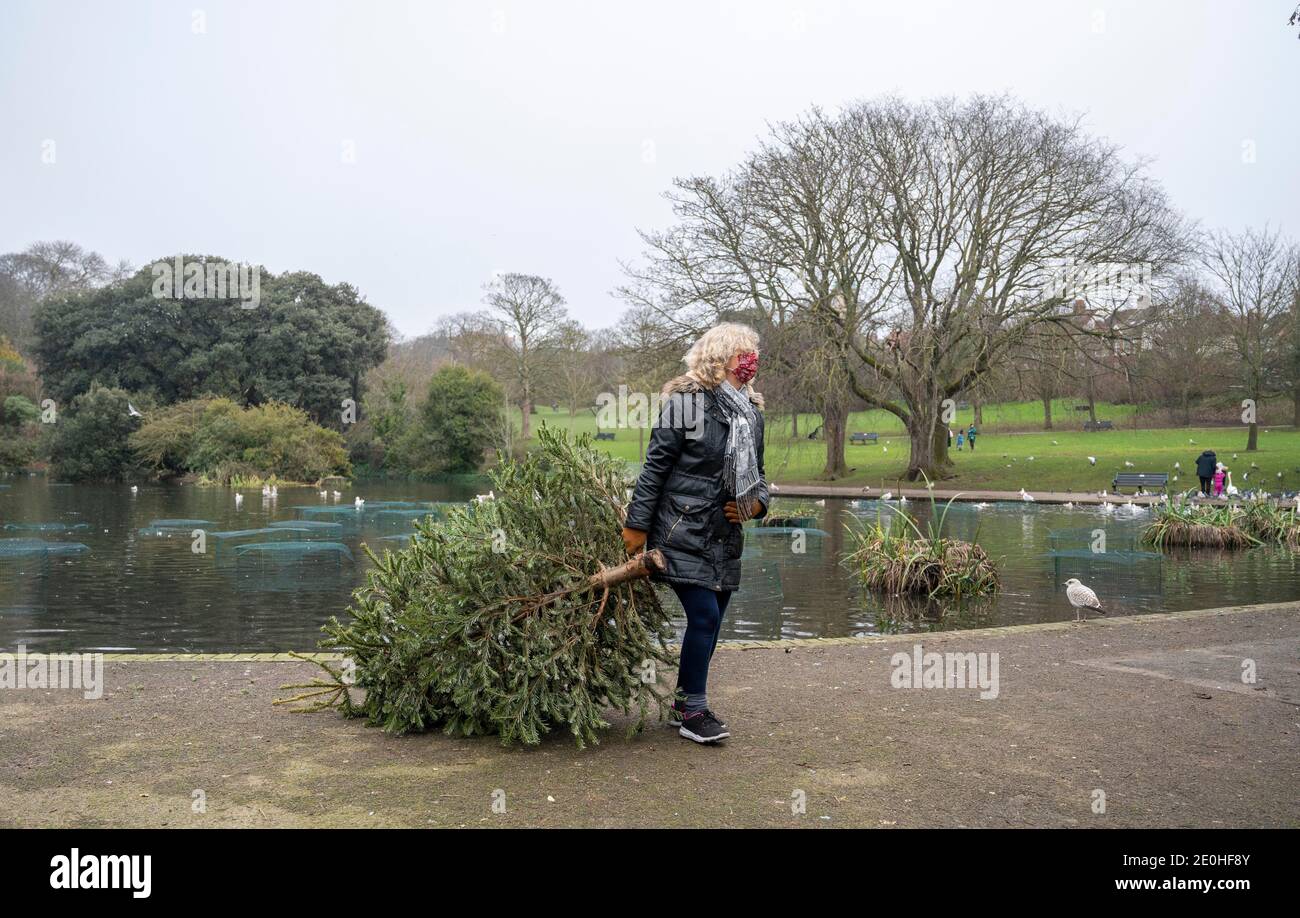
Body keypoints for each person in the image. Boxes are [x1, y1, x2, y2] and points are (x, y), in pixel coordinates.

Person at [621, 323, 769, 745]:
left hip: (724, 535)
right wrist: (637, 525)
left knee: (714, 619)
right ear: (718, 357)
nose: (750, 362)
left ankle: (684, 702)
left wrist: (757, 506)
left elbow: (760, 477)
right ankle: (693, 711)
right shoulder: (685, 404)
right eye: (742, 353)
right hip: (680, 529)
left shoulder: (751, 413)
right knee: (703, 615)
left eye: (753, 354)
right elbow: (655, 468)